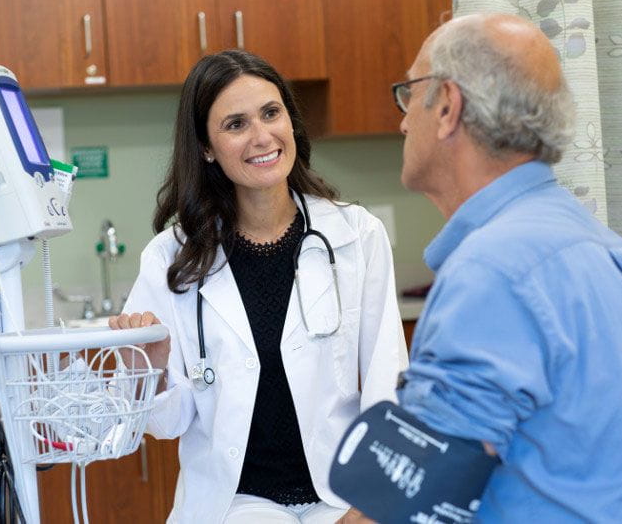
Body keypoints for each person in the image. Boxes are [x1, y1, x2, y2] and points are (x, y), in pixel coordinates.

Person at [109, 49, 407, 523]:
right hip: (235, 503)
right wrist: (153, 373)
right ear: (206, 147)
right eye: (235, 124)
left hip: (341, 494)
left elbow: (385, 383)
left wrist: (371, 501)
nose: (262, 136)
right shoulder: (172, 258)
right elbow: (166, 425)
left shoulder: (356, 236)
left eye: (271, 113)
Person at [389, 13, 622, 522]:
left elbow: (415, 493)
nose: (401, 119)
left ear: (446, 106)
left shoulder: (491, 272)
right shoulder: (609, 251)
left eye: (409, 93)